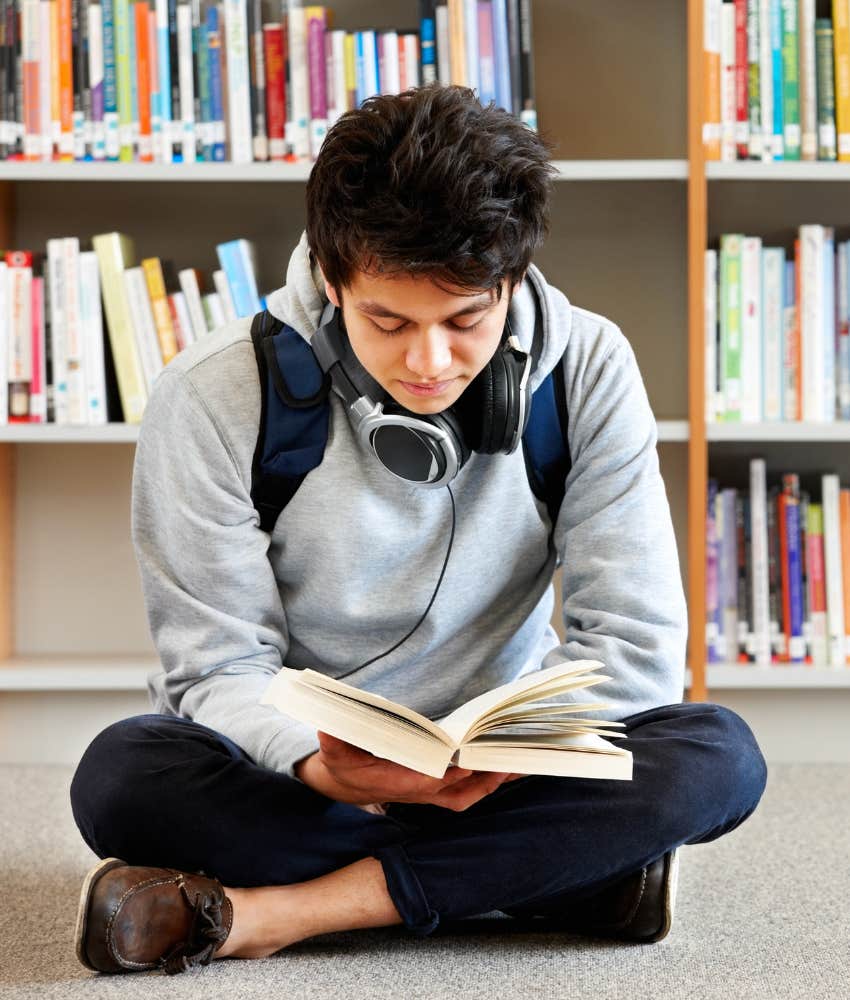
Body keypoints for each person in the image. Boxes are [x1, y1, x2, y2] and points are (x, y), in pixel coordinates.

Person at [70, 84, 767, 977]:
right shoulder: (208, 395)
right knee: (122, 774)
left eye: (467, 320)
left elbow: (633, 644)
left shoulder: (588, 368)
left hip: (513, 772)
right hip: (309, 773)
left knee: (718, 758)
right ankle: (557, 876)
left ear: (512, 282)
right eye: (387, 322)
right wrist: (323, 772)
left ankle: (278, 913)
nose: (428, 363)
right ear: (332, 280)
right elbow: (217, 665)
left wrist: (507, 761)